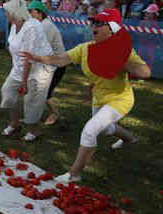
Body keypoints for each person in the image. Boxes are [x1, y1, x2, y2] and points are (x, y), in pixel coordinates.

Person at [20, 9, 151, 182]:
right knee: (104, 129)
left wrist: (122, 62)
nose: (93, 26)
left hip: (120, 99)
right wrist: (37, 58)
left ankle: (74, 174)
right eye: (93, 22)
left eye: (98, 23)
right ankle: (129, 138)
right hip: (99, 98)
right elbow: (61, 60)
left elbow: (145, 72)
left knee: (90, 131)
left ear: (111, 28)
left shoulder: (125, 50)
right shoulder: (85, 48)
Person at [0, 0, 56, 141]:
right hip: (21, 66)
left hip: (39, 67)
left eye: (6, 12)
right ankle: (15, 123)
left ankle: (33, 131)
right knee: (7, 91)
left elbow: (29, 58)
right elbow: (14, 46)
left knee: (32, 99)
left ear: (14, 13)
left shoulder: (32, 27)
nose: (5, 14)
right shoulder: (14, 25)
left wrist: (24, 82)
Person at [28, 1, 66, 126]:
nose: (29, 15)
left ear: (40, 13)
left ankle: (54, 113)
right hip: (50, 62)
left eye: (31, 12)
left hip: (57, 64)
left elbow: (42, 47)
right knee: (39, 89)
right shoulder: (40, 24)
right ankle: (35, 115)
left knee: (45, 91)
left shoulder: (45, 26)